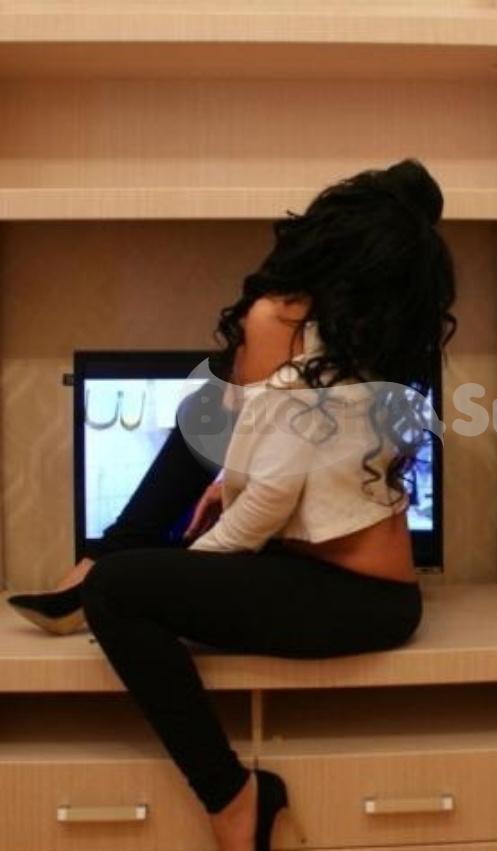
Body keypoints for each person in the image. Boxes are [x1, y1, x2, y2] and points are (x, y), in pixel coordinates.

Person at [6, 157, 456, 851]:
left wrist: (198, 551)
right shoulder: (371, 340)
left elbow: (267, 468)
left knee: (120, 587)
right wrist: (228, 493)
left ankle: (237, 800)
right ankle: (106, 561)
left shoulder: (286, 318)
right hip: (364, 587)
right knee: (207, 422)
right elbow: (295, 458)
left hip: (346, 594)